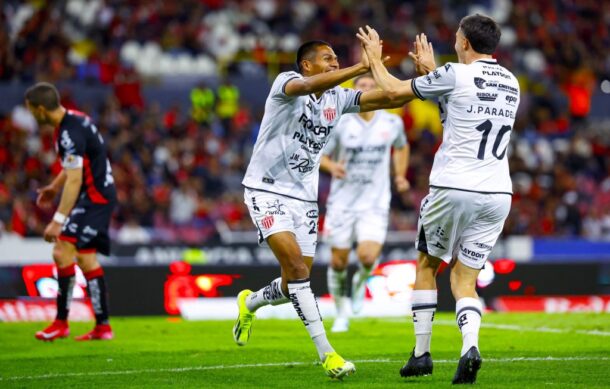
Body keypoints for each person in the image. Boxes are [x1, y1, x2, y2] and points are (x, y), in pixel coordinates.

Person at [233, 40, 411, 379]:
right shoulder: (285, 84)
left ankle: (250, 302)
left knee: (293, 282)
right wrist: (361, 67)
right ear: (306, 65)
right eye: (327, 59)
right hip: (266, 190)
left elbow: (389, 98)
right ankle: (328, 355)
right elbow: (310, 86)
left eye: (337, 59)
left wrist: (424, 83)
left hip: (305, 199)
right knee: (299, 270)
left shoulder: (337, 99)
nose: (334, 63)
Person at [357, 14, 520, 384]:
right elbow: (460, 113)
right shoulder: (511, 81)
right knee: (465, 280)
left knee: (427, 266)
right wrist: (433, 75)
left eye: (457, 38)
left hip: (452, 188)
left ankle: (421, 354)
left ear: (464, 43)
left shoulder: (454, 73)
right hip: (497, 193)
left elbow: (394, 93)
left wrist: (372, 60)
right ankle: (470, 347)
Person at [25, 82, 117, 341]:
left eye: (32, 110)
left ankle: (61, 323)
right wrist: (54, 187)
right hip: (100, 195)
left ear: (41, 109)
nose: (32, 115)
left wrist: (58, 220)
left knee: (61, 248)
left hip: (95, 198)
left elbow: (75, 179)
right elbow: (74, 166)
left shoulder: (67, 133)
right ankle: (103, 327)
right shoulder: (76, 120)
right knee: (87, 260)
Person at [320, 73, 410, 333]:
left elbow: (402, 147)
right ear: (355, 92)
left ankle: (360, 282)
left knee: (368, 257)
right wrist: (331, 165)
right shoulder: (340, 123)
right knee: (337, 263)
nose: (369, 90)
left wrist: (400, 175)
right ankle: (340, 314)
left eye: (373, 86)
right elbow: (320, 155)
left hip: (375, 203)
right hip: (342, 203)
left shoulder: (392, 122)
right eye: (363, 87)